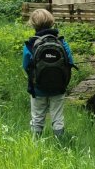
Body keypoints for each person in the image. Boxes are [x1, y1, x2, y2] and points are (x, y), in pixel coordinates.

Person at [23, 9, 75, 139]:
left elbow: (26, 66)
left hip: (38, 89)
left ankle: (36, 144)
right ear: (52, 22)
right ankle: (61, 143)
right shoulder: (62, 42)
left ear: (33, 24)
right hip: (58, 88)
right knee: (57, 117)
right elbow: (70, 63)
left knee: (37, 117)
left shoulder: (30, 45)